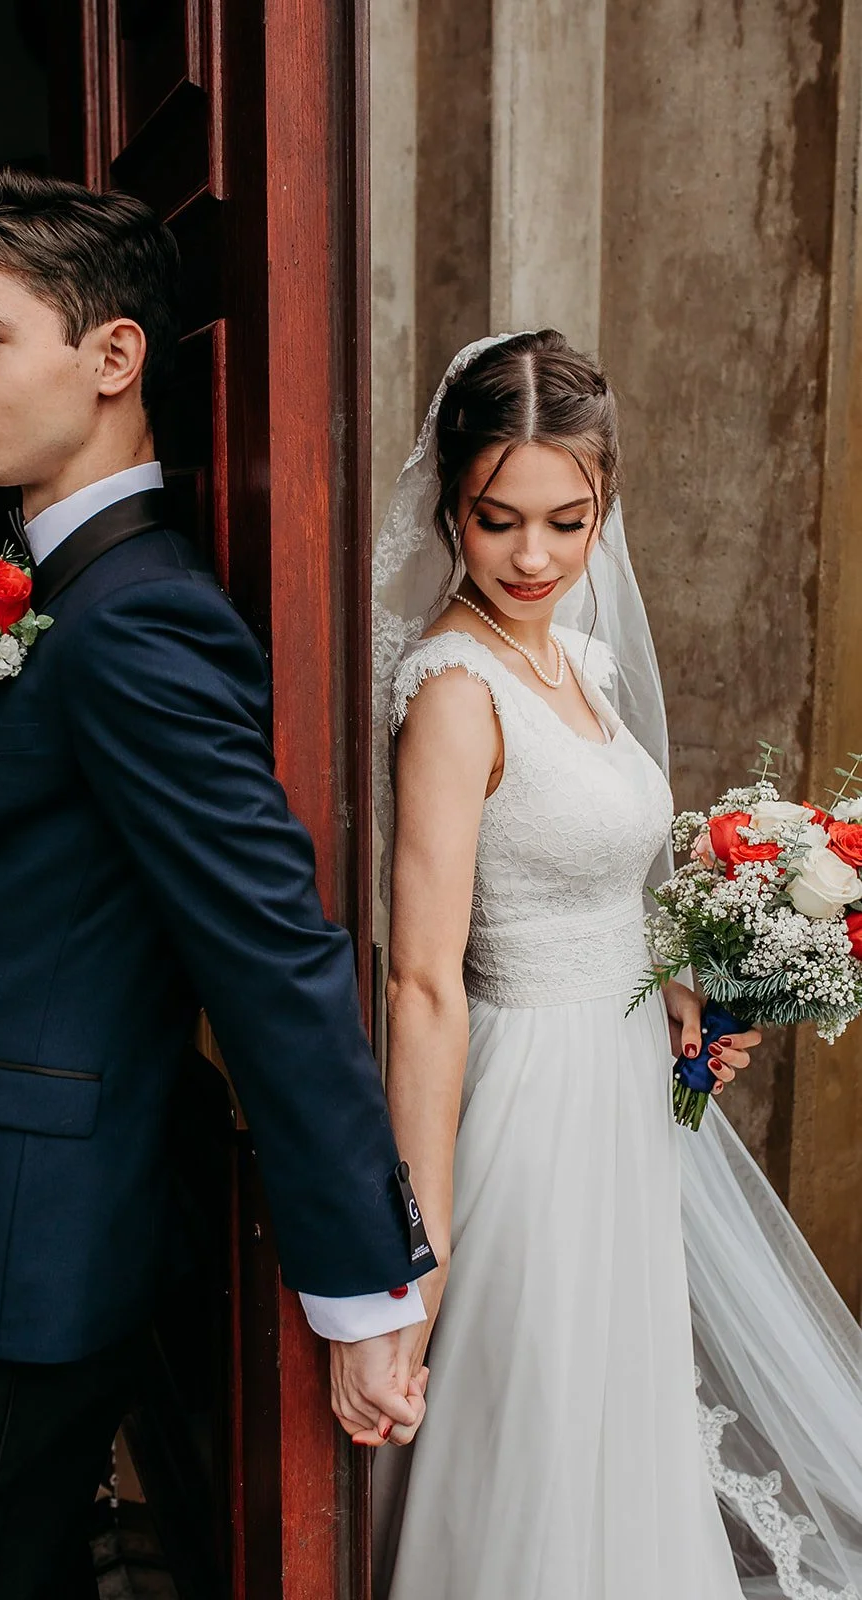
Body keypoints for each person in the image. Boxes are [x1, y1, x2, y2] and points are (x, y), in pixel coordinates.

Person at [0, 162, 433, 1600]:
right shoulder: (63, 583)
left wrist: (357, 1288)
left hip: (17, 1259)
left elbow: (272, 955)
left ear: (111, 357)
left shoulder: (140, 620)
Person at [370, 331, 862, 1599]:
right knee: (535, 1424)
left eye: (566, 520)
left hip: (627, 1098)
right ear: (448, 505)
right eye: (495, 520)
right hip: (528, 1106)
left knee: (617, 1412)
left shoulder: (576, 662)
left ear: (605, 507)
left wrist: (682, 988)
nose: (532, 557)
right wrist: (407, 1259)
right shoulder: (451, 691)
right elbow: (425, 982)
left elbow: (597, 885)